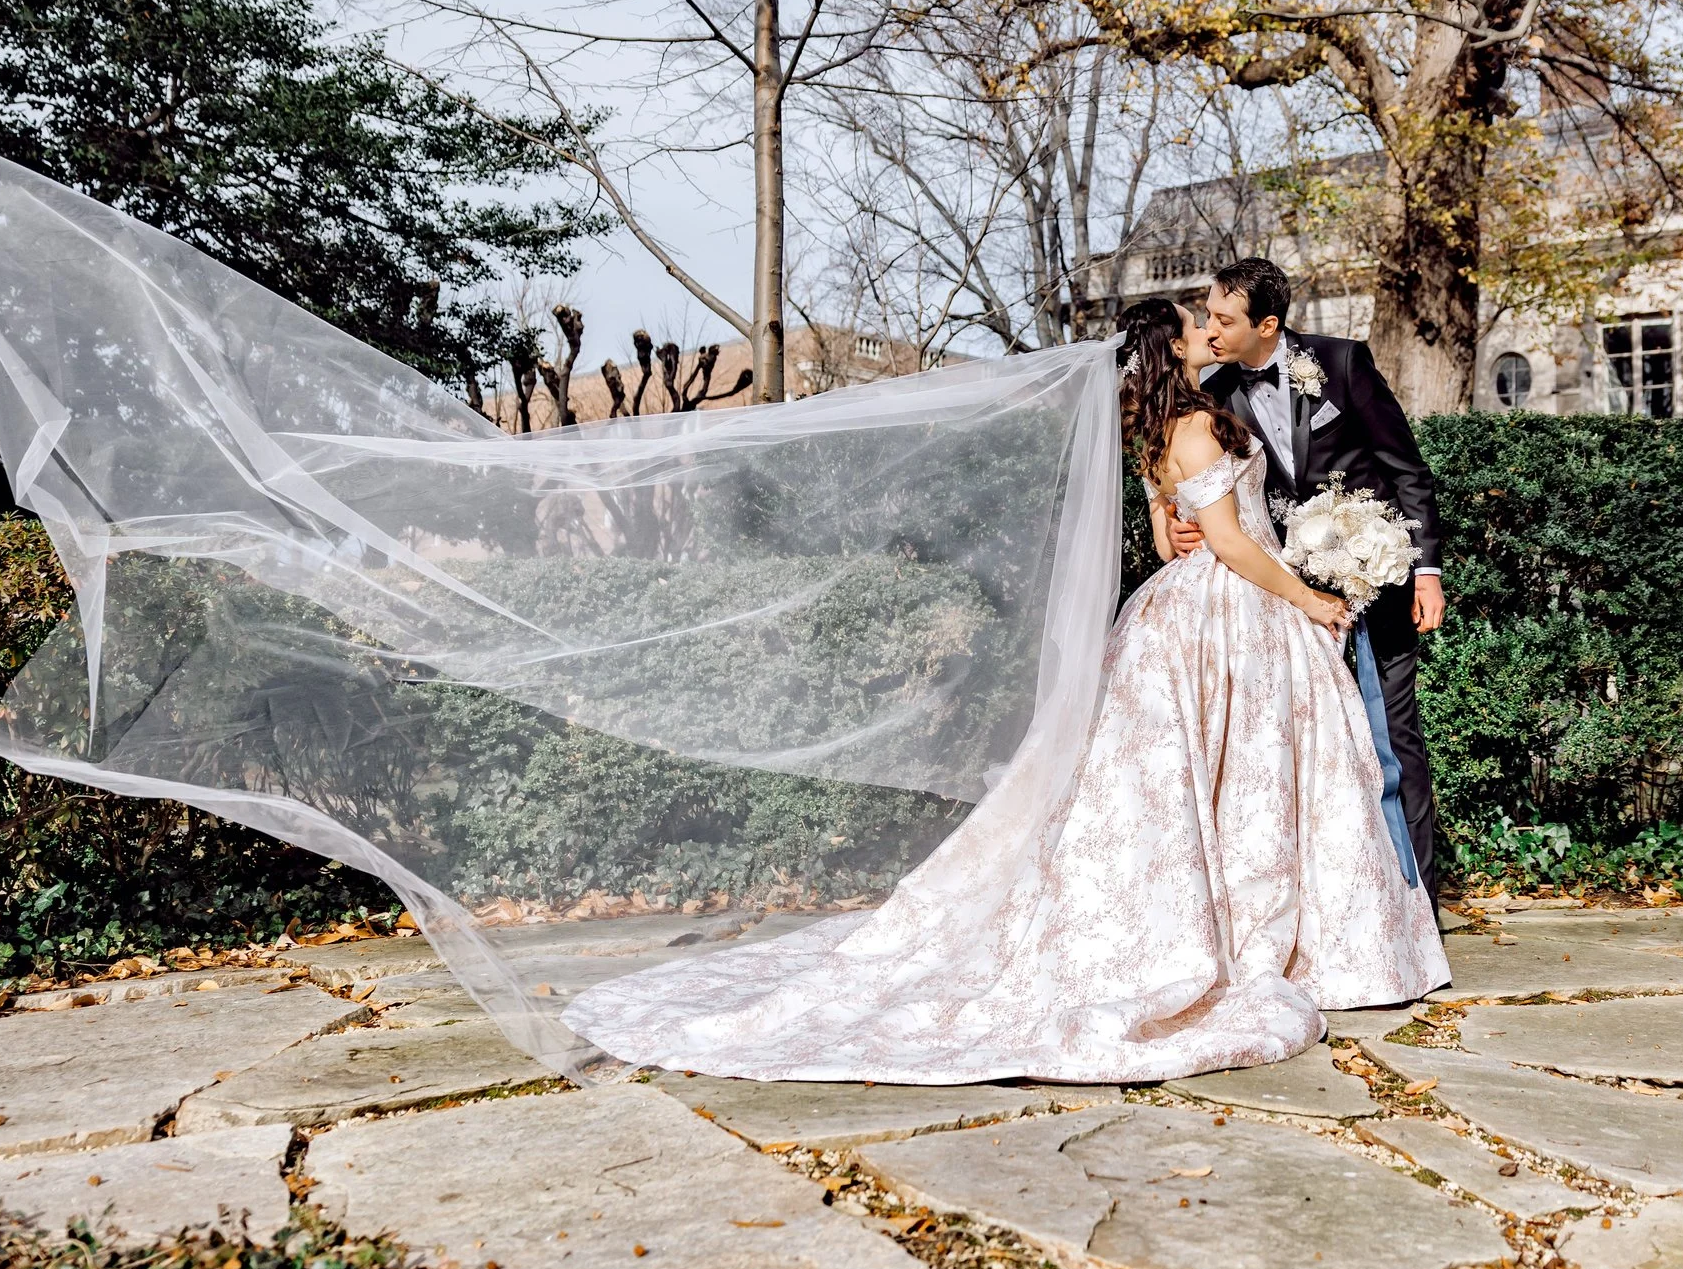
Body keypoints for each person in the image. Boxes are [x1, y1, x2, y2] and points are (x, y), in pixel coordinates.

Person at [560, 296, 1448, 1081]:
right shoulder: (1196, 426)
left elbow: (1163, 520)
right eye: (1193, 327)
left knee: (1205, 781)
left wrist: (1182, 531)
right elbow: (1225, 540)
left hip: (1191, 612)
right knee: (1245, 777)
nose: (1205, 332)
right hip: (1234, 605)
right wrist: (1305, 595)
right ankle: (1254, 935)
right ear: (1172, 350)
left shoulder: (1154, 428)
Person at [1188, 258, 1447, 900]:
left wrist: (1426, 569)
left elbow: (1405, 469)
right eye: (1208, 317)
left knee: (1391, 737)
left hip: (1377, 581)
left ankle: (1416, 900)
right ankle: (1345, 901)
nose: (1211, 329)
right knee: (1318, 751)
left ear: (1267, 325)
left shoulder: (1343, 363)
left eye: (1224, 319)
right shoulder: (1215, 396)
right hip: (1288, 601)